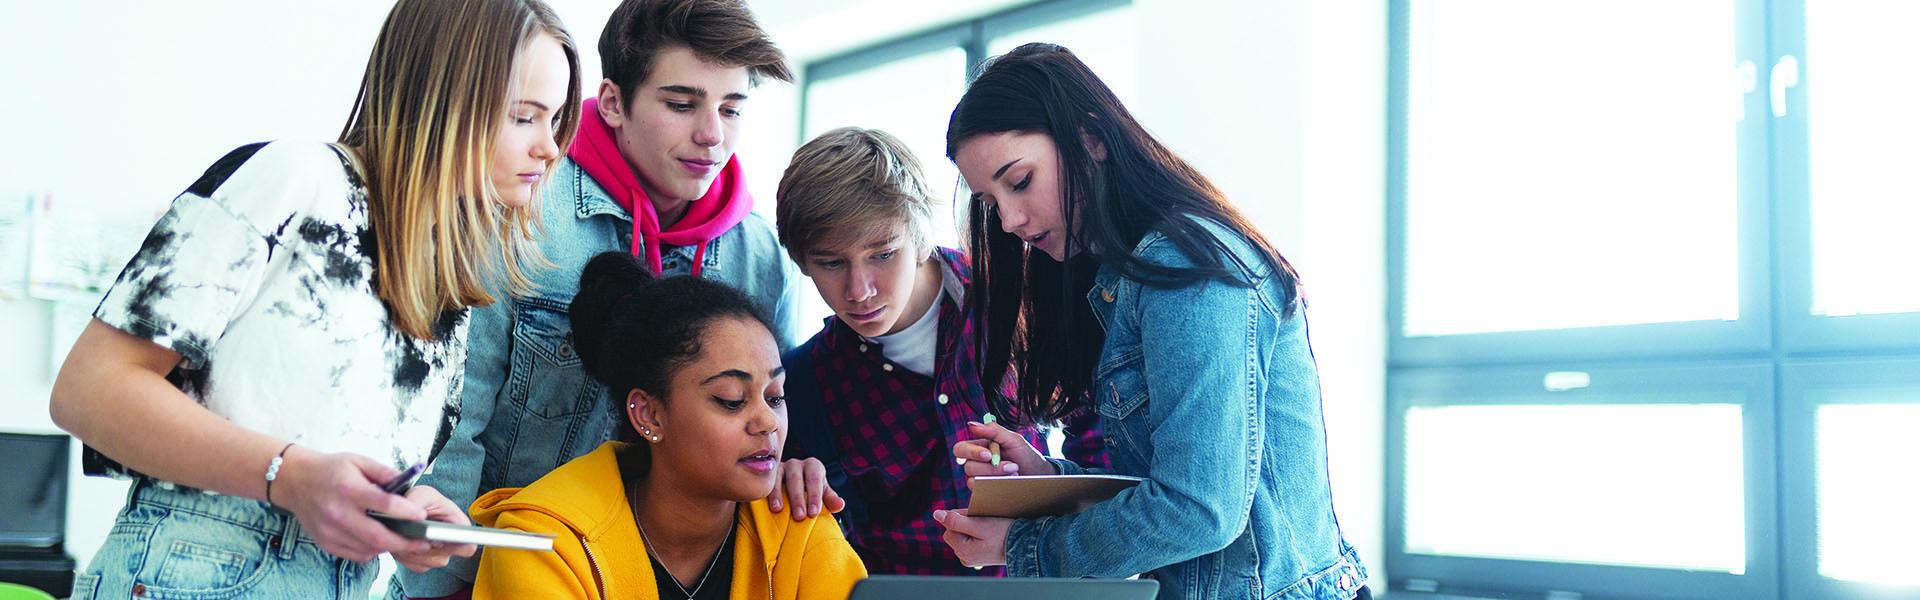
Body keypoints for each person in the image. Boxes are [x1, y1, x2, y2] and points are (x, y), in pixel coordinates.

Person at [47, 0, 581, 597]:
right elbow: (87, 391)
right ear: (445, 101)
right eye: (523, 117)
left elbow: (318, 446)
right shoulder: (297, 179)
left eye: (555, 120)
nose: (549, 149)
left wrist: (399, 506)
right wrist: (292, 476)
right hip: (200, 564)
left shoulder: (443, 273)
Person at [398, 1, 836, 597]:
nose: (711, 134)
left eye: (731, 109)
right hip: (512, 572)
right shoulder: (518, 214)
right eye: (681, 104)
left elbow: (770, 413)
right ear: (611, 103)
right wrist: (446, 581)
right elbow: (454, 421)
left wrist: (794, 462)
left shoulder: (758, 254)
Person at [931, 43, 1372, 600]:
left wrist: (1022, 545)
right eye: (992, 202)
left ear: (1090, 138)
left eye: (1019, 181)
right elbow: (1172, 488)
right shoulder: (1125, 275)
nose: (1012, 220)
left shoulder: (1182, 263)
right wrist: (1047, 483)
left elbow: (1200, 511)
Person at [772, 126, 1105, 575]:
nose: (859, 290)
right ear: (801, 262)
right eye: (831, 263)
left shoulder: (1021, 298)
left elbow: (1104, 448)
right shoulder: (803, 385)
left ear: (920, 237)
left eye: (883, 254)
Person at [470, 252, 866, 600]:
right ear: (648, 415)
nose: (767, 422)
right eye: (731, 400)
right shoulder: (540, 540)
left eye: (775, 396)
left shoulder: (798, 522)